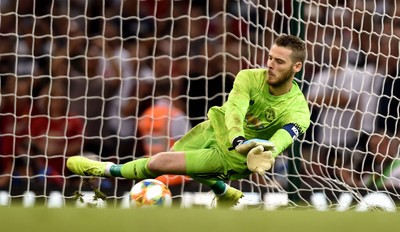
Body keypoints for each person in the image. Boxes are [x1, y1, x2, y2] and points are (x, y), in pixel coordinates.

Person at [66, 34, 311, 207]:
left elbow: (284, 137)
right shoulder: (248, 77)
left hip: (232, 157)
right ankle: (224, 192)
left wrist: (267, 150)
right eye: (270, 57)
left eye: (279, 62)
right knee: (176, 156)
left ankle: (103, 169)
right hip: (214, 130)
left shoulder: (298, 109)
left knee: (160, 162)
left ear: (296, 67)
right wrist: (237, 138)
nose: (270, 65)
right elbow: (235, 110)